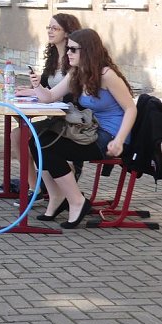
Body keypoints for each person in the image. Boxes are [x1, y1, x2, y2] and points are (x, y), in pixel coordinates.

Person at [30, 28, 136, 228]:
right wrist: (36, 85)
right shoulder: (77, 73)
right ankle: (56, 196)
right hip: (91, 131)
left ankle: (77, 201)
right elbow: (49, 97)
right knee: (36, 139)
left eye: (73, 49)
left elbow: (130, 108)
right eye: (68, 48)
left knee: (47, 146)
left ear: (87, 51)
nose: (68, 53)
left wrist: (119, 140)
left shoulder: (107, 75)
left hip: (110, 136)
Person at [0, 13, 83, 196]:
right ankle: (33, 188)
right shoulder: (53, 56)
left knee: (25, 136)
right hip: (54, 116)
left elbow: (67, 93)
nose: (50, 32)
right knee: (17, 135)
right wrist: (28, 90)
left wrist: (40, 92)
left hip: (69, 119)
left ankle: (60, 181)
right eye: (49, 28)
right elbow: (46, 88)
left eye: (55, 28)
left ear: (68, 32)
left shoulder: (75, 60)